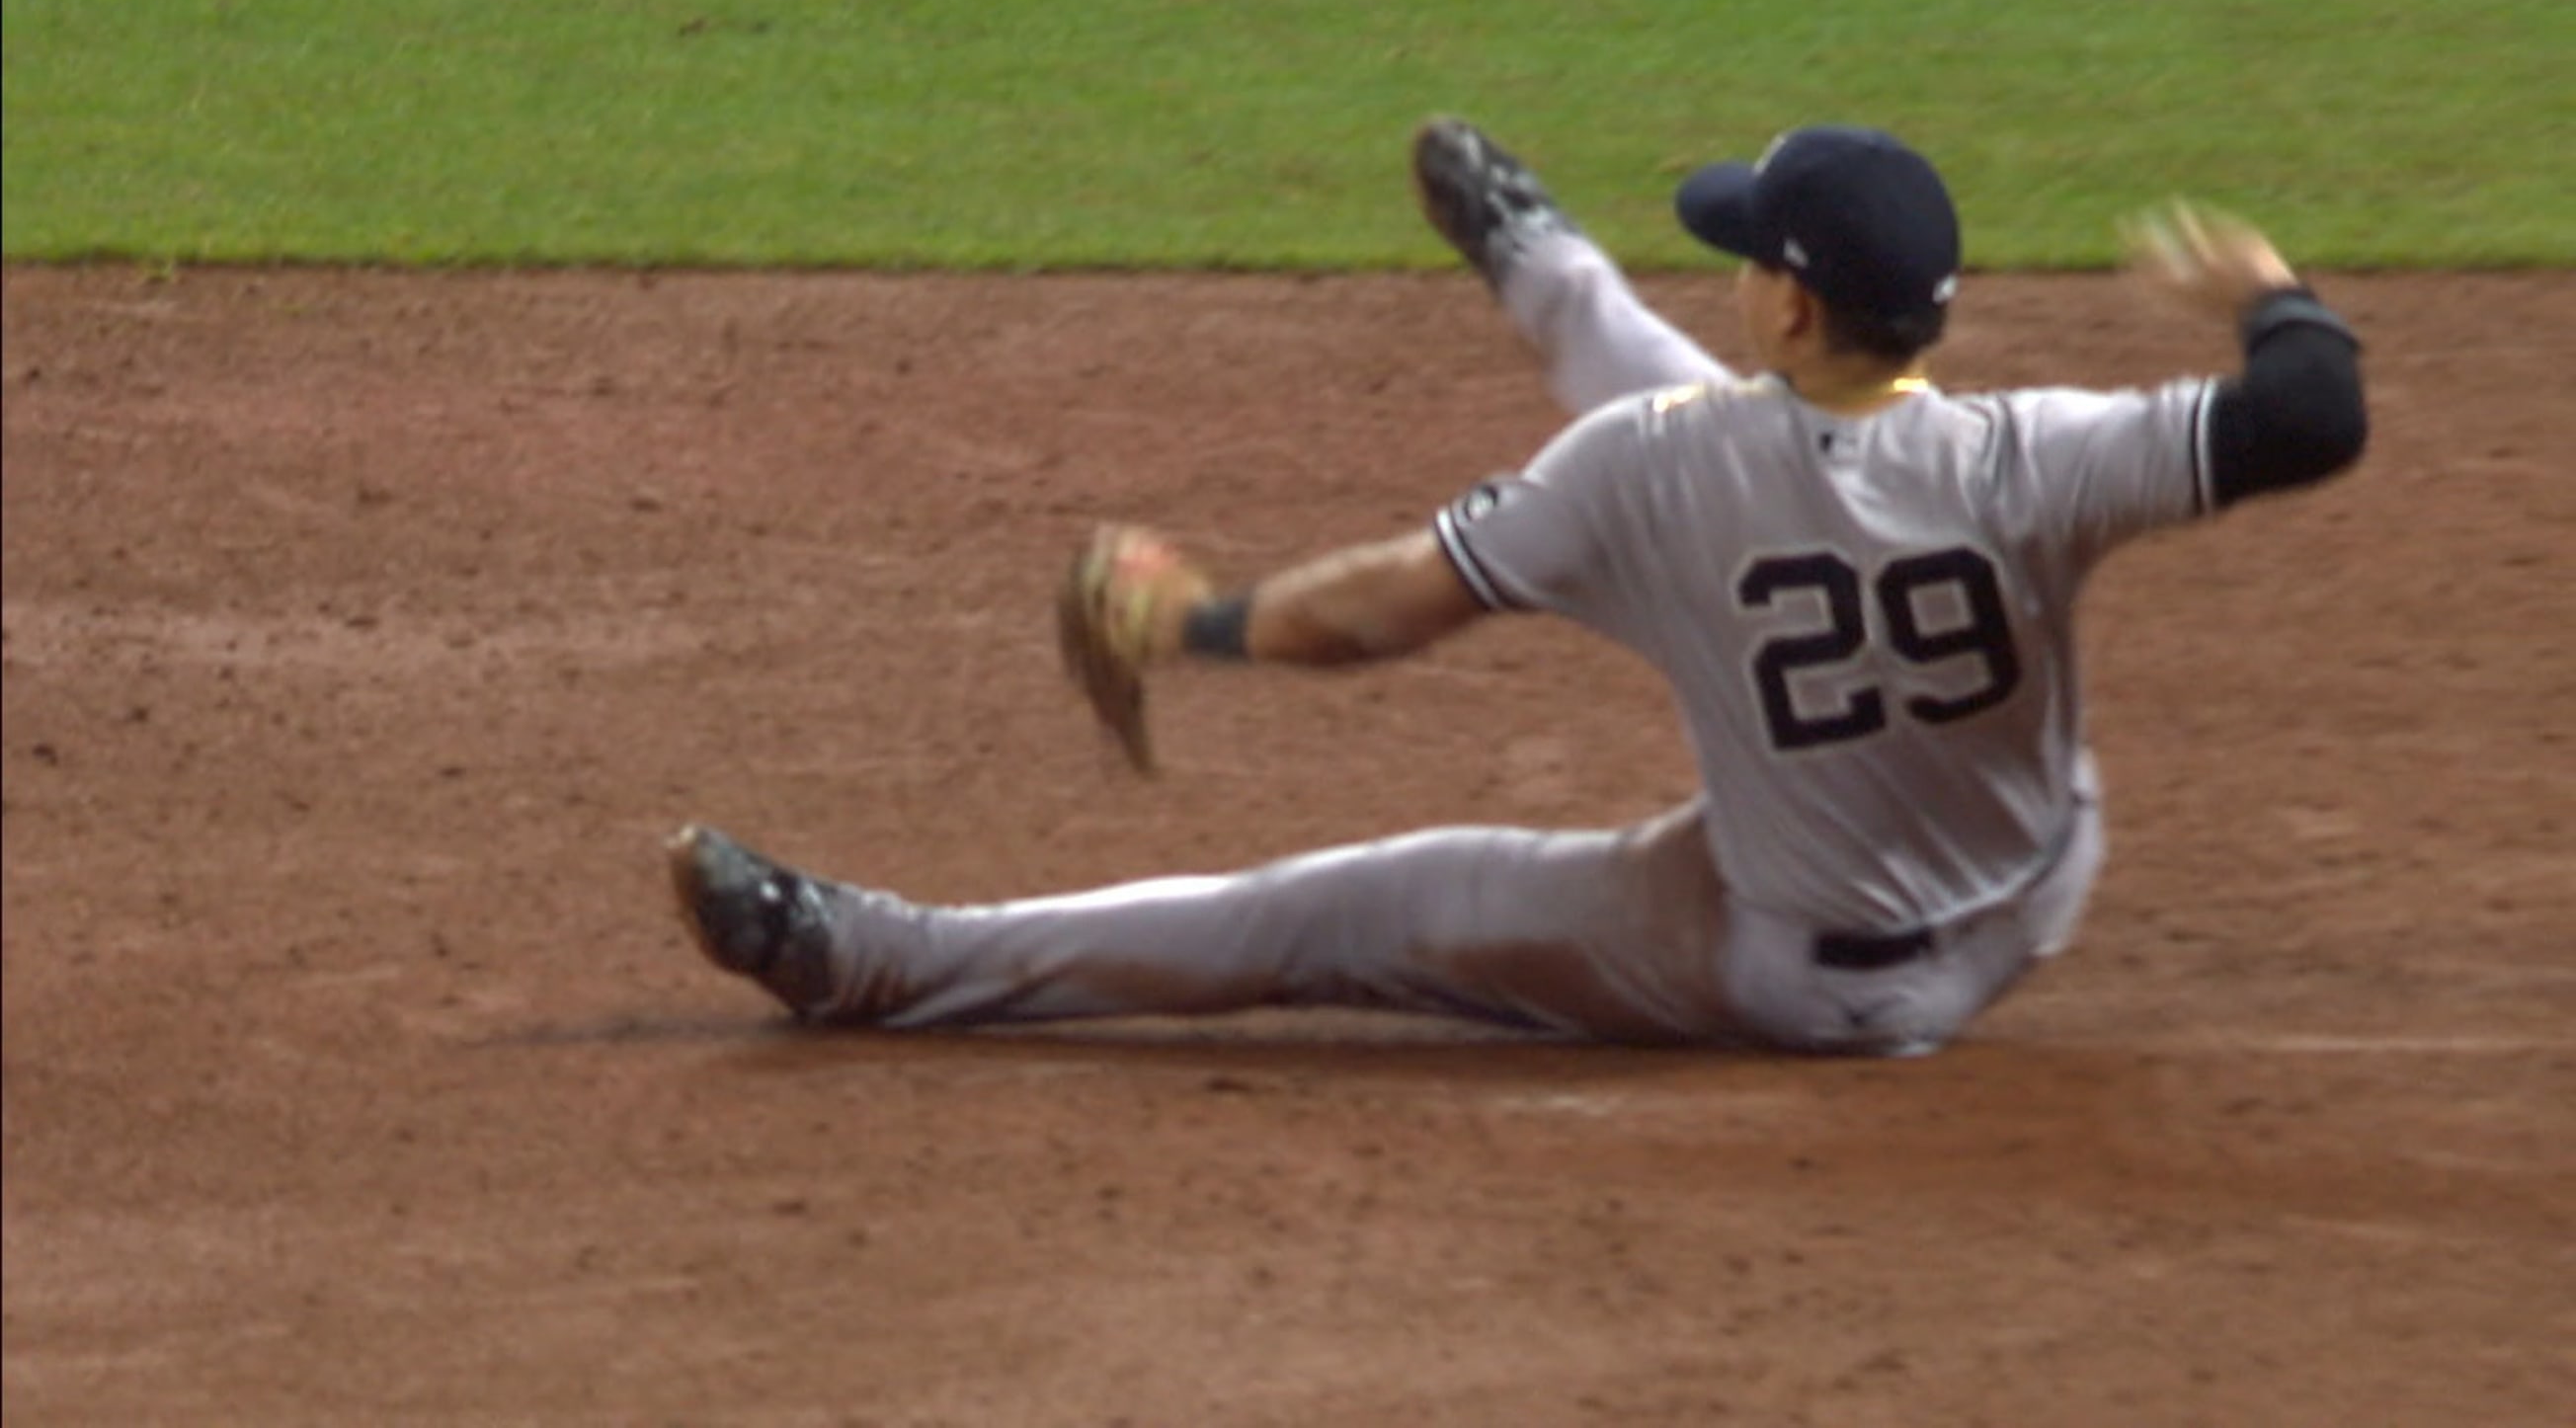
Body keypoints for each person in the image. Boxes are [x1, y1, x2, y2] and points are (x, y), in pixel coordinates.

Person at [665, 118, 2367, 1056]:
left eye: (1751, 254)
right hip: (2030, 900)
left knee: (1328, 917)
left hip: (1790, 977)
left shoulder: (1654, 472)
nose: (1745, 274)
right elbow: (2311, 409)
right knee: (1694, 448)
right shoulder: (2042, 453)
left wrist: (1190, 620)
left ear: (1787, 303)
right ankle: (1540, 258)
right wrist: (2271, 285)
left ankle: (880, 960)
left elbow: (1375, 613)